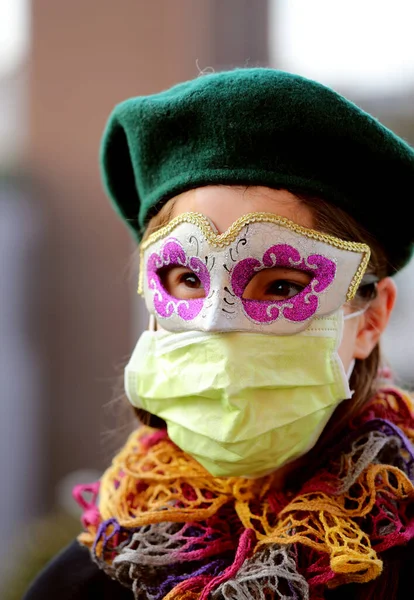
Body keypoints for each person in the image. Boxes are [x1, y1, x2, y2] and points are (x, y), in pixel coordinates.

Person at [23, 67, 414, 600]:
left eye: (280, 286)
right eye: (186, 278)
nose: (216, 324)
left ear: (369, 319)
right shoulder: (86, 581)